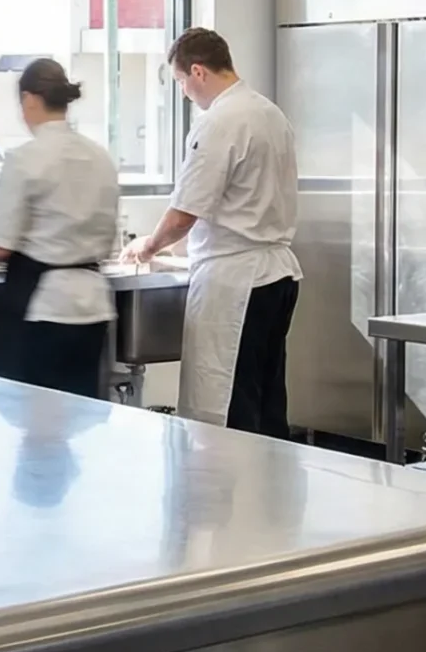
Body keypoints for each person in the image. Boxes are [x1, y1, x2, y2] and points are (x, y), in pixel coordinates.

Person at [126, 27, 301, 436]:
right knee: (267, 398)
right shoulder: (269, 113)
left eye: (181, 82)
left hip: (238, 285)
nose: (185, 92)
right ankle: (269, 494)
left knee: (229, 404)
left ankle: (232, 497)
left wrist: (148, 247)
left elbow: (186, 211)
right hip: (278, 276)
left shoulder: (221, 121)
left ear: (198, 72)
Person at [0, 59, 120, 398]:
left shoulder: (26, 158)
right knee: (81, 416)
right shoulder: (100, 157)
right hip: (93, 307)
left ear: (30, 99)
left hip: (45, 309)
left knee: (35, 422)